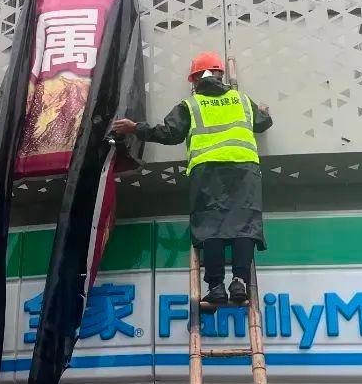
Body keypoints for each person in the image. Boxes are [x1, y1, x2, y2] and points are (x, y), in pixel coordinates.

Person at [112, 51, 272, 310]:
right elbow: (263, 123)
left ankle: (215, 287)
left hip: (207, 172)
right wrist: (264, 111)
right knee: (244, 224)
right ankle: (240, 281)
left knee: (211, 226)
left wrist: (135, 128)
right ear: (220, 74)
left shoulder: (190, 105)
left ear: (194, 80)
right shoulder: (241, 100)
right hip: (244, 170)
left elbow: (169, 134)